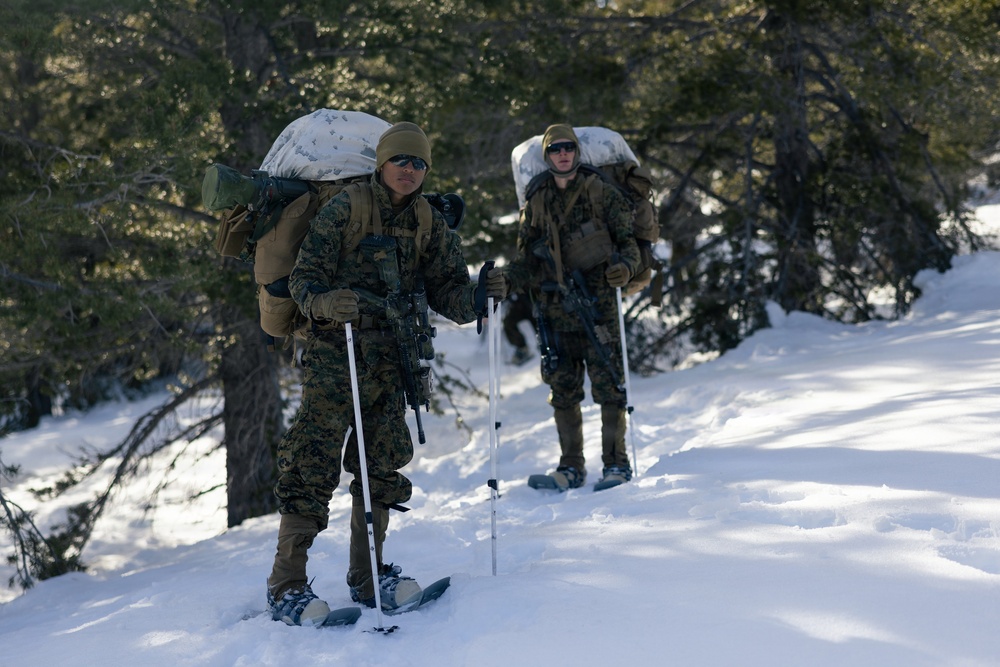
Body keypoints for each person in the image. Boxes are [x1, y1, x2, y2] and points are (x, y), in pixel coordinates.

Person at [265, 121, 507, 626]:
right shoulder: (346, 207)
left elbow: (448, 290)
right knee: (312, 463)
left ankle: (369, 576)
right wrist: (327, 301)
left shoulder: (428, 221)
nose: (410, 170)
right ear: (382, 163)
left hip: (391, 358)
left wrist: (479, 296)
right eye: (401, 160)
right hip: (336, 352)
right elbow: (304, 280)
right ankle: (286, 585)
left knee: (380, 467)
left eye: (419, 163)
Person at [505, 124, 640, 493]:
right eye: (555, 149)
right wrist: (504, 281)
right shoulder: (536, 199)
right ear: (547, 156)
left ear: (577, 152)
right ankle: (571, 468)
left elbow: (629, 246)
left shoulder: (601, 192)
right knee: (563, 391)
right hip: (553, 312)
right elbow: (525, 259)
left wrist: (624, 269)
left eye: (568, 148)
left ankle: (616, 465)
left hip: (598, 309)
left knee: (610, 387)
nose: (562, 154)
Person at [502, 287, 536, 366]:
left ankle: (547, 346)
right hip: (519, 302)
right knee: (508, 322)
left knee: (540, 323)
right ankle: (522, 349)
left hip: (533, 300)